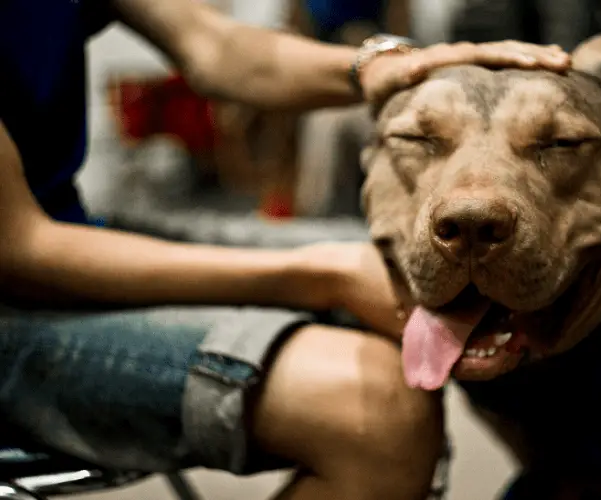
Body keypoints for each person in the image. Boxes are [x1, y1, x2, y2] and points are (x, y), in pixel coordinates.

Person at [0, 0, 570, 499]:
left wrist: (388, 66)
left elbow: (213, 43)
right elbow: (20, 249)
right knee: (373, 416)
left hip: (70, 227)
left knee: (414, 271)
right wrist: (323, 275)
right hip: (17, 290)